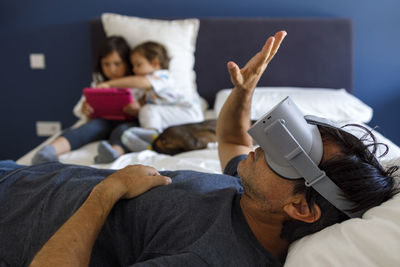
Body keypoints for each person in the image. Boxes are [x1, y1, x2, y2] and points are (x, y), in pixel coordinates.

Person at [1, 31, 398, 266]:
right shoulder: (251, 197)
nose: (259, 147)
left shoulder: (214, 257)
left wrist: (107, 192)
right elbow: (229, 139)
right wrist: (244, 92)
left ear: (301, 208)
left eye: (281, 154)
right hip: (22, 178)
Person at [31, 36, 140, 165]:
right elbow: (79, 110)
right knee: (86, 129)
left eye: (117, 64)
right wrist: (85, 109)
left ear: (127, 63)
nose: (112, 69)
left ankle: (113, 153)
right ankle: (48, 151)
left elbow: (147, 108)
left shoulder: (138, 82)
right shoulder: (98, 83)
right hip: (103, 121)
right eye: (106, 64)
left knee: (123, 132)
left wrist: (137, 110)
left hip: (129, 122)